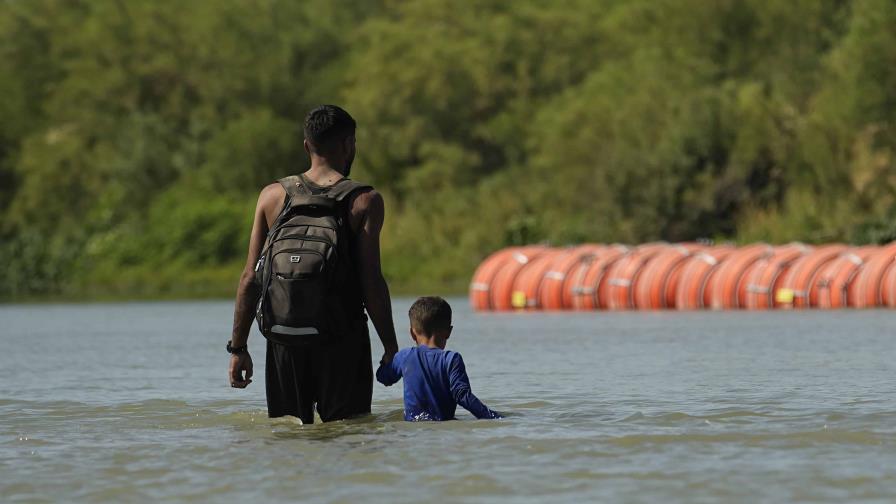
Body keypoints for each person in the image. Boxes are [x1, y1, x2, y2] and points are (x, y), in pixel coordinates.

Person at [227, 104, 399, 423]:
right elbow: (370, 280)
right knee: (350, 434)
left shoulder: (271, 196)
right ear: (349, 145)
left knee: (289, 435)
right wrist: (391, 347)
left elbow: (249, 278)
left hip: (283, 338)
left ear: (307, 145)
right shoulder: (364, 200)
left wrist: (238, 349)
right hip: (342, 339)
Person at [376, 296, 502, 421]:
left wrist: (386, 359)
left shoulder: (404, 357)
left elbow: (384, 378)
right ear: (449, 332)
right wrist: (492, 416)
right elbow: (462, 395)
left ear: (412, 333)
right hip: (443, 427)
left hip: (413, 429)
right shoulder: (451, 359)